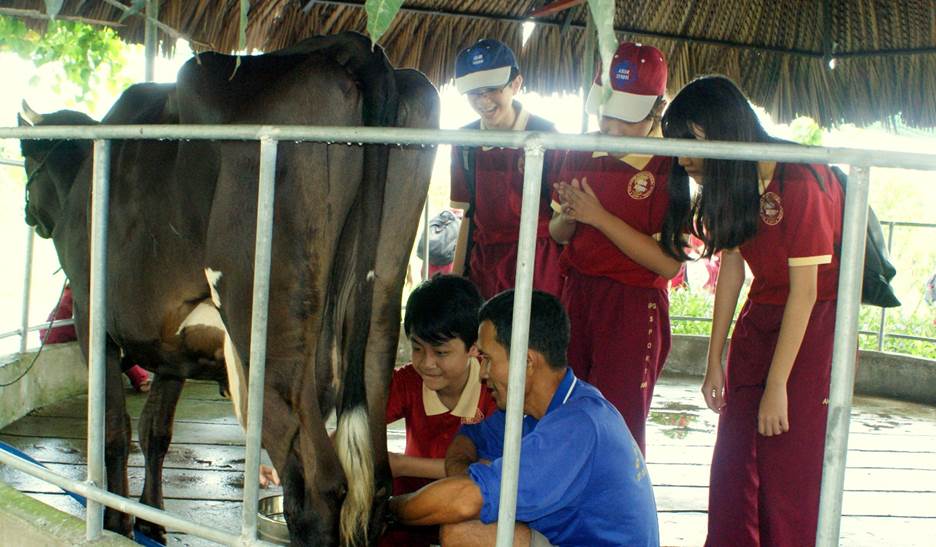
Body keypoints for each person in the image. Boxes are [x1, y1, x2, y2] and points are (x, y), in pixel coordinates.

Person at [659, 75, 844, 546]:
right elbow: (734, 269)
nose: (682, 160)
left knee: (786, 470)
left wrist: (779, 385)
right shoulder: (738, 181)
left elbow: (805, 292)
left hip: (812, 330)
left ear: (709, 132)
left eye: (686, 144)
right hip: (760, 319)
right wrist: (713, 360)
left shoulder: (802, 174)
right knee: (734, 464)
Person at [390, 290, 660, 547]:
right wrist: (467, 475)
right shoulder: (534, 408)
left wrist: (389, 509)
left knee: (465, 533)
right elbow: (470, 436)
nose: (483, 373)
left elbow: (462, 501)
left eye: (487, 359)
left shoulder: (577, 425)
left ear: (527, 361)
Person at [549, 42, 682, 455]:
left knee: (618, 422)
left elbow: (668, 264)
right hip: (577, 295)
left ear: (656, 109)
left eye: (625, 117)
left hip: (633, 303)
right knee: (565, 411)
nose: (611, 125)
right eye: (605, 111)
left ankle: (618, 514)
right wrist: (571, 215)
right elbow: (557, 232)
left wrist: (599, 216)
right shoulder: (580, 149)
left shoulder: (671, 165)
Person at [380, 275, 497, 546]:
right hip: (404, 513)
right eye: (417, 348)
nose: (427, 363)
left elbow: (491, 472)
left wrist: (403, 465)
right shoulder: (407, 382)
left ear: (473, 347)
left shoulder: (492, 390)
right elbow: (358, 425)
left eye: (441, 353)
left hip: (466, 516)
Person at [449, 38, 563, 300]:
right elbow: (468, 216)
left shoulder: (547, 135)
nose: (483, 100)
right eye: (474, 92)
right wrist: (456, 282)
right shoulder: (465, 142)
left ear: (516, 84)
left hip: (541, 265)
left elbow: (563, 221)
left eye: (491, 88)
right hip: (484, 267)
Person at [40, 284, 151, 392]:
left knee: (108, 339)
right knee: (109, 341)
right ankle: (140, 378)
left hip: (51, 332)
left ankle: (140, 378)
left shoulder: (72, 293)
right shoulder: (78, 294)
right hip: (59, 332)